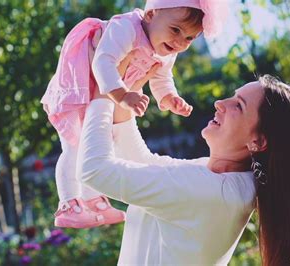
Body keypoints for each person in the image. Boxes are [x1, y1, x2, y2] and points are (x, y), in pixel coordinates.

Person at [77, 75, 290, 265]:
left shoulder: (210, 189)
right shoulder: (227, 181)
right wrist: (124, 92)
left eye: (238, 106)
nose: (221, 103)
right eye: (232, 97)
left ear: (258, 141)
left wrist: (103, 93)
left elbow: (94, 169)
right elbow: (143, 163)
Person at [40, 0, 228, 228]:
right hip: (79, 88)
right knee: (74, 146)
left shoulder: (167, 49)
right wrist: (122, 95)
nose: (180, 41)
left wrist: (169, 97)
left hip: (103, 96)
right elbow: (103, 60)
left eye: (189, 38)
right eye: (175, 30)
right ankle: (68, 204)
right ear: (151, 14)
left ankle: (92, 201)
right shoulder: (127, 28)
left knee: (94, 144)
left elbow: (161, 76)